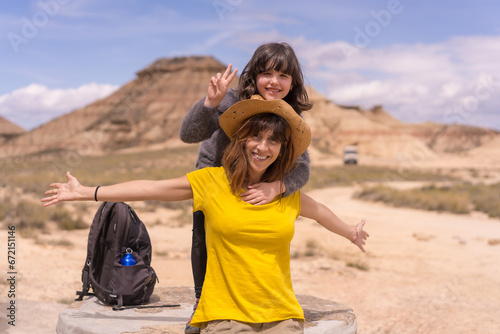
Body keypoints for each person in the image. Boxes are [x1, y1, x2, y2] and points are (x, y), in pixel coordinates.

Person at [42, 96, 369, 334]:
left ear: (282, 149)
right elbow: (150, 187)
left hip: (281, 316)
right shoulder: (212, 183)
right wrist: (86, 192)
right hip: (224, 317)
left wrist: (351, 232)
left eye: (274, 140)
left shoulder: (285, 194)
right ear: (241, 140)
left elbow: (321, 212)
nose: (263, 146)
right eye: (256, 136)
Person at [180, 42, 313, 332]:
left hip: (258, 190)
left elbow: (302, 169)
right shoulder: (228, 100)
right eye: (267, 73)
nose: (274, 82)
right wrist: (209, 104)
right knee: (204, 241)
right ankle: (202, 303)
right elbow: (188, 134)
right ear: (254, 75)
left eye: (283, 76)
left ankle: (261, 302)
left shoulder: (290, 116)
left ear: (293, 82)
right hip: (216, 186)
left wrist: (278, 186)